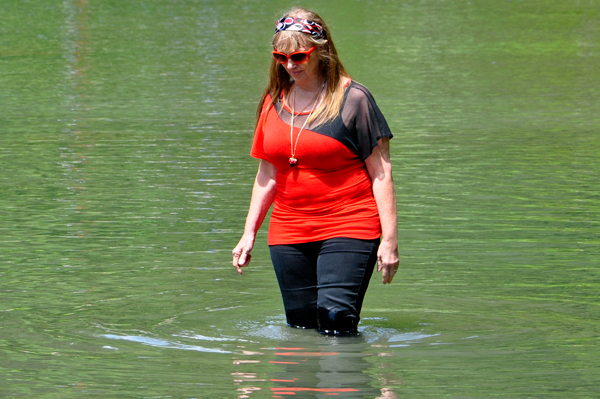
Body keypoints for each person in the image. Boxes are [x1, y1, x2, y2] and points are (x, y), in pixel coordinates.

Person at [232, 7, 399, 335]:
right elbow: (267, 173)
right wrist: (248, 233)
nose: (290, 65)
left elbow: (381, 173)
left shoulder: (354, 100)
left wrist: (390, 240)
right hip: (289, 231)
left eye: (298, 56)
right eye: (281, 57)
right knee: (301, 328)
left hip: (350, 223)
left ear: (320, 51)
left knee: (336, 322)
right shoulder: (272, 102)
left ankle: (362, 383)